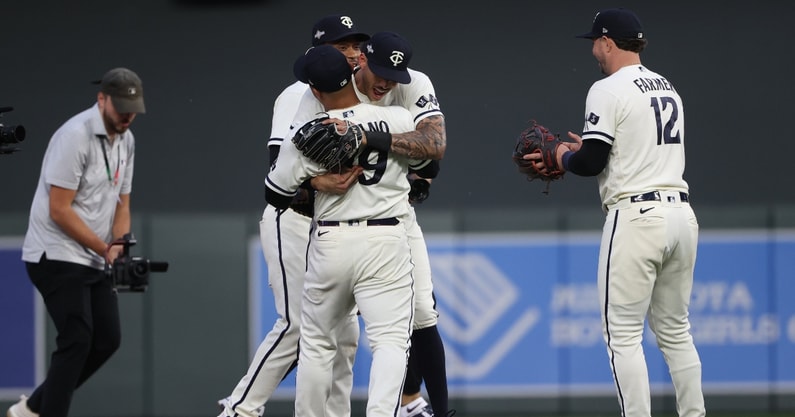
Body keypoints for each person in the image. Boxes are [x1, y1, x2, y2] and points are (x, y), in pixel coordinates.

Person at [535, 8, 706, 417]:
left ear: (608, 43)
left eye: (595, 41)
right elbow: (618, 150)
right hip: (681, 216)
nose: (593, 49)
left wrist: (562, 154)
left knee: (622, 337)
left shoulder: (608, 88)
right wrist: (583, 150)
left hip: (636, 218)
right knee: (676, 332)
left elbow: (592, 162)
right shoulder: (667, 87)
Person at [266, 44, 438, 417]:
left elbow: (275, 194)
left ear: (314, 91)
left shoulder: (309, 131)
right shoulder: (395, 117)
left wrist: (314, 181)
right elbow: (428, 159)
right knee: (391, 342)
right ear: (353, 74)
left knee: (316, 346)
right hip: (386, 239)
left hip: (330, 241)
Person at [217, 14, 369, 417]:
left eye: (356, 44)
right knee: (297, 326)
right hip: (294, 220)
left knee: (345, 332)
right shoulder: (298, 94)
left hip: (333, 228)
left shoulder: (361, 95)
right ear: (318, 52)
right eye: (343, 46)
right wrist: (320, 184)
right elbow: (277, 170)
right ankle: (239, 410)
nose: (353, 52)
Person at [9, 67, 145, 417]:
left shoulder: (127, 140)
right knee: (77, 339)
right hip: (53, 253)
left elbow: (123, 203)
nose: (128, 115)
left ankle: (31, 410)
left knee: (107, 341)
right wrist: (105, 248)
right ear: (102, 99)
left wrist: (120, 243)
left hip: (92, 257)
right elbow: (59, 210)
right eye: (121, 108)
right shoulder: (75, 136)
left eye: (133, 108)